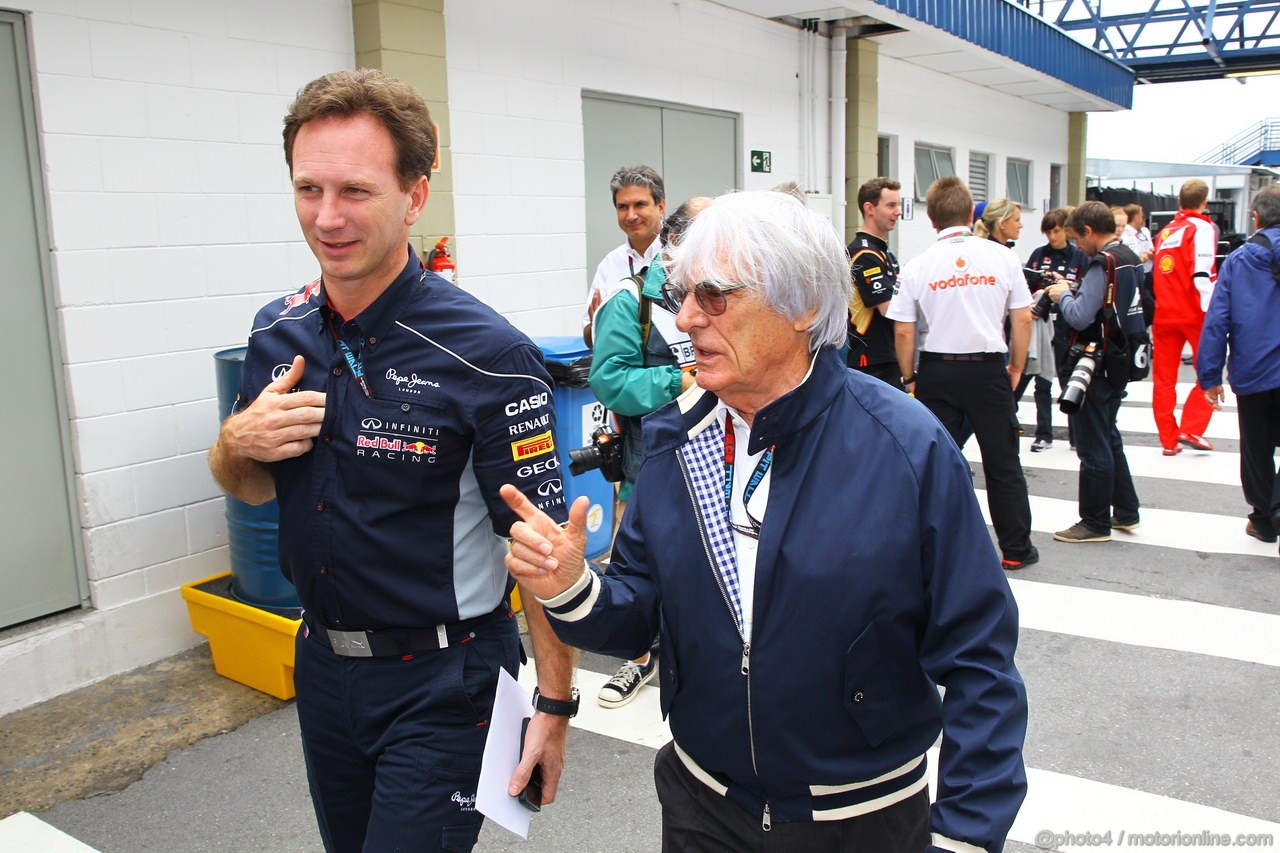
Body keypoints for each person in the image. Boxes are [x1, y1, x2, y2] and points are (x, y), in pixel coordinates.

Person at [502, 189, 1028, 852]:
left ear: (803, 304)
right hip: (702, 808)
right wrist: (574, 584)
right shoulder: (676, 439)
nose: (687, 318)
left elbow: (980, 657)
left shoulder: (907, 447)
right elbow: (641, 613)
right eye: (681, 295)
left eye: (715, 295)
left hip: (862, 820)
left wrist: (966, 835)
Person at [207, 69, 576, 853]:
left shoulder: (488, 355)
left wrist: (555, 703)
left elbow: (542, 552)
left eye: (355, 190)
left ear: (415, 196)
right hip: (323, 670)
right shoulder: (278, 333)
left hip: (448, 683)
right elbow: (248, 483)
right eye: (309, 189)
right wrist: (233, 444)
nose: (327, 217)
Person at [584, 198, 708, 707]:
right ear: (676, 242)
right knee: (642, 566)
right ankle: (638, 657)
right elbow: (608, 380)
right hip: (652, 463)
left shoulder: (715, 292)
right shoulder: (629, 300)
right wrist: (676, 379)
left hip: (715, 457)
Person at [889, 177, 1039, 571]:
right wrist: (1017, 367)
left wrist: (910, 378)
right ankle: (1015, 548)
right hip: (988, 368)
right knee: (1003, 462)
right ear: (970, 214)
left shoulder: (919, 264)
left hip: (937, 369)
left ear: (932, 219)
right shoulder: (1001, 257)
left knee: (933, 462)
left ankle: (934, 548)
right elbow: (1022, 318)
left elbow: (903, 329)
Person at [1044, 201, 1144, 543]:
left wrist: (1062, 295)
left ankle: (1094, 521)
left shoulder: (1103, 264)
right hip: (1120, 359)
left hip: (1094, 363)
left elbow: (1080, 316)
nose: (1076, 246)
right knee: (1109, 436)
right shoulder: (1129, 256)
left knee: (1093, 445)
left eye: (1076, 238)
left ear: (1088, 231)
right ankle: (1126, 511)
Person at [1197, 184, 1280, 548]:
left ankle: (1265, 517)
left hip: (1255, 370)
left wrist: (1209, 374)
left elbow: (1218, 319)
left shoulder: (1240, 259)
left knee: (1257, 448)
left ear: (1256, 217)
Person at [1151, 179, 1218, 455]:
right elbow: (1203, 273)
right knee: (1210, 370)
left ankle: (1168, 440)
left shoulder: (1165, 231)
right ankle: (1191, 427)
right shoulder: (1202, 227)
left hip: (1164, 313)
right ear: (1204, 202)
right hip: (1194, 311)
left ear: (1179, 201)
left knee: (1164, 379)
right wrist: (1214, 312)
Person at [1025, 208, 1090, 452]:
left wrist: (1064, 285)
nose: (1053, 236)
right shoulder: (1038, 255)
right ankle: (1044, 434)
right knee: (1042, 382)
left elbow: (1085, 289)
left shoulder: (1079, 257)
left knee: (1068, 380)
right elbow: (1026, 285)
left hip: (1067, 324)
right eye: (1049, 232)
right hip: (1042, 324)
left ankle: (1076, 436)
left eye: (1057, 231)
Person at [583, 165, 666, 347]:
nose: (630, 216)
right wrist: (599, 322)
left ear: (661, 206)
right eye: (622, 207)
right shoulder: (611, 263)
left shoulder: (679, 256)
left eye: (639, 205)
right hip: (627, 372)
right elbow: (589, 337)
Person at [846, 177, 904, 388]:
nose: (898, 211)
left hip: (886, 357)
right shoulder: (864, 253)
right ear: (869, 208)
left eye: (898, 205)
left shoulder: (881, 250)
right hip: (870, 361)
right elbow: (889, 309)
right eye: (891, 205)